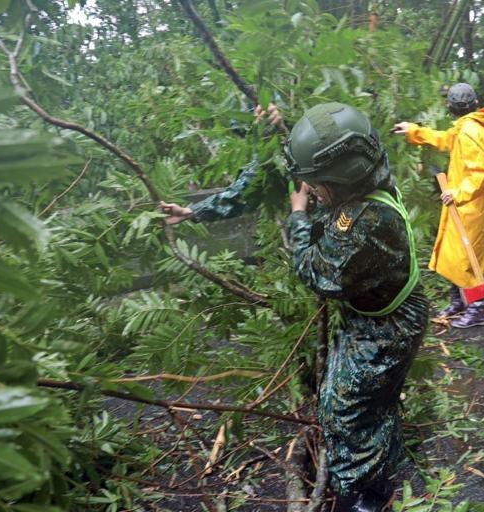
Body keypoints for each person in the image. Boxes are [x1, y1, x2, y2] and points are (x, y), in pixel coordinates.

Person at [163, 102, 428, 512]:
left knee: (346, 411)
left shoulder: (366, 218)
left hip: (387, 325)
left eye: (316, 185)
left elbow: (318, 274)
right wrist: (198, 209)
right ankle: (389, 472)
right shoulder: (360, 162)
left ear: (338, 179)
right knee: (366, 405)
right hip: (371, 311)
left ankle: (363, 499)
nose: (310, 190)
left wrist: (299, 217)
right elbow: (265, 181)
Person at [393, 82, 484, 329]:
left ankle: (477, 307)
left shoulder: (471, 132)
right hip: (464, 204)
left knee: (467, 259)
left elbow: (482, 172)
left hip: (472, 205)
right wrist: (413, 131)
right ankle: (459, 301)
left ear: (452, 107)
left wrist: (458, 192)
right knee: (453, 255)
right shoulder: (465, 128)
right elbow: (443, 139)